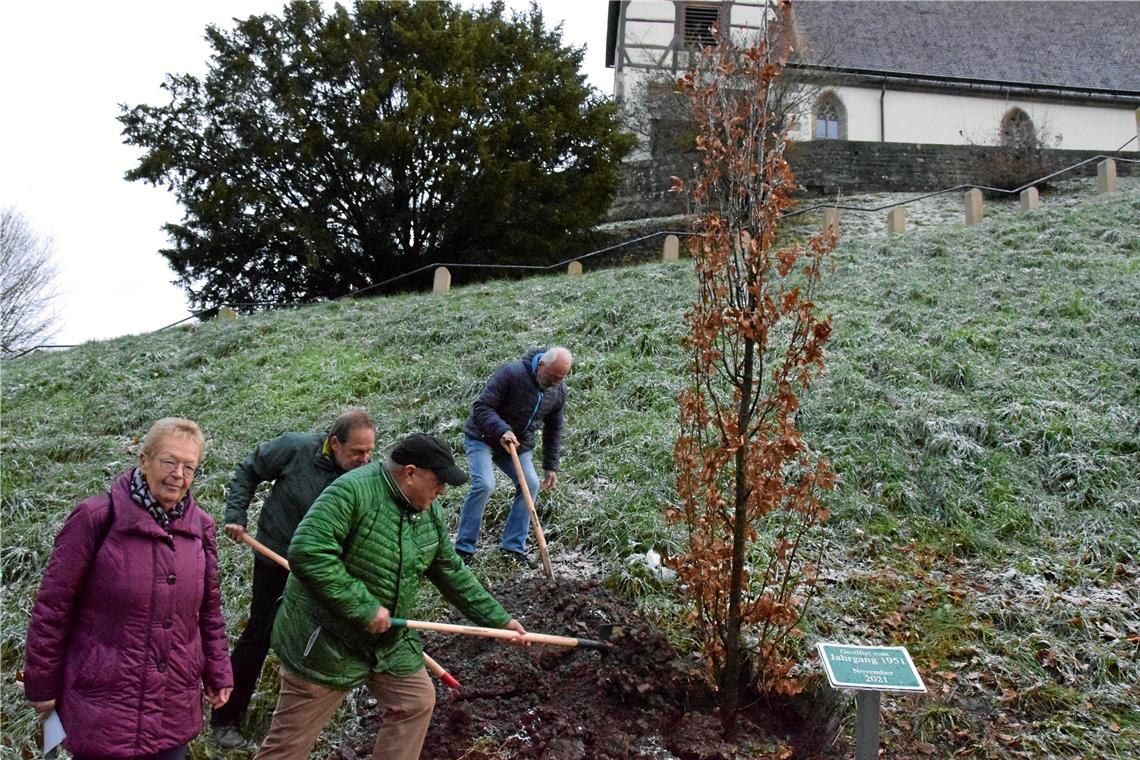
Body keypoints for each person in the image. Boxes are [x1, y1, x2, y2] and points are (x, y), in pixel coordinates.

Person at [254, 433, 527, 760]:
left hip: (386, 641)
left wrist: (501, 620)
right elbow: (308, 552)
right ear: (410, 473)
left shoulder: (427, 511)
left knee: (415, 702)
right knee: (288, 747)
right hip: (325, 641)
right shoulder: (350, 492)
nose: (442, 491)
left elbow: (451, 572)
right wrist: (364, 607)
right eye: (438, 481)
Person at [24, 417, 232, 760]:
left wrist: (219, 669)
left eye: (189, 467)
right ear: (143, 460)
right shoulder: (95, 518)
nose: (178, 474)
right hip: (103, 707)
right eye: (168, 462)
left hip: (172, 706)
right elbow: (53, 607)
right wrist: (42, 683)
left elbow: (209, 609)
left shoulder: (201, 527)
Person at [211, 409, 376, 748]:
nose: (365, 459)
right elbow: (248, 469)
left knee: (313, 638)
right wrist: (235, 514)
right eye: (357, 452)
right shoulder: (295, 449)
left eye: (369, 451)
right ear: (334, 443)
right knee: (259, 634)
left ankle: (298, 724)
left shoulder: (364, 476)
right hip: (275, 557)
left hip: (320, 568)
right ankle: (225, 717)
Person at [454, 346, 572, 565]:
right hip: (483, 437)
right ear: (542, 365)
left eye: (562, 378)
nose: (557, 382)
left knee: (531, 483)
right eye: (554, 376)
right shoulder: (512, 373)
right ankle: (463, 548)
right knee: (484, 484)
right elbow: (481, 407)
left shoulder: (558, 391)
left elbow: (554, 429)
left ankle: (512, 547)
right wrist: (501, 430)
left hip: (517, 444)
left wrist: (550, 465)